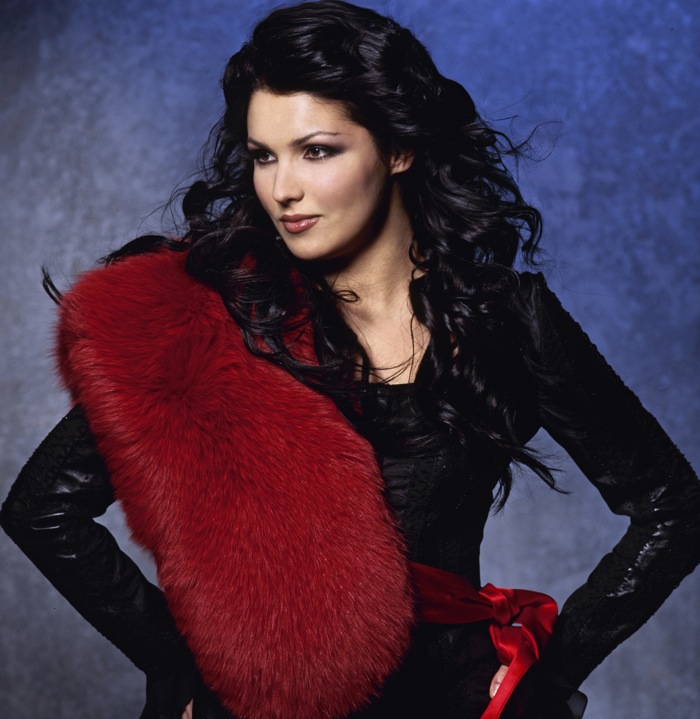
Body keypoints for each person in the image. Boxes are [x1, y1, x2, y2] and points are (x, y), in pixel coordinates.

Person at [2, 1, 698, 718]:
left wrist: (546, 680)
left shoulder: (506, 321)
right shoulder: (219, 317)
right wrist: (177, 663)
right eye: (264, 156)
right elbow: (42, 509)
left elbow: (673, 508)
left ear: (398, 149)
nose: (282, 188)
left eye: (316, 151)